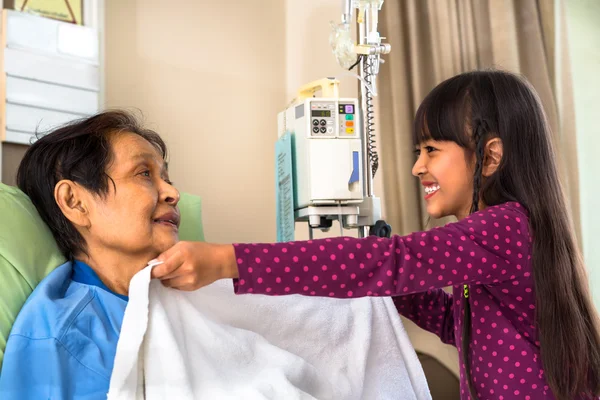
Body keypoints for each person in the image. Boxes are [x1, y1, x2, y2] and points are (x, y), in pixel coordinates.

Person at [150, 70, 600, 400]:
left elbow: (394, 262)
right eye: (416, 152)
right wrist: (389, 275)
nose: (417, 167)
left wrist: (227, 260)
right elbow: (457, 324)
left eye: (431, 150)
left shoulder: (506, 227)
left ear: (490, 156)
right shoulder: (498, 239)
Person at [0, 110, 180, 398]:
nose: (172, 192)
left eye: (167, 178)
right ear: (76, 202)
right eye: (145, 173)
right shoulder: (59, 341)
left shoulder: (193, 287)